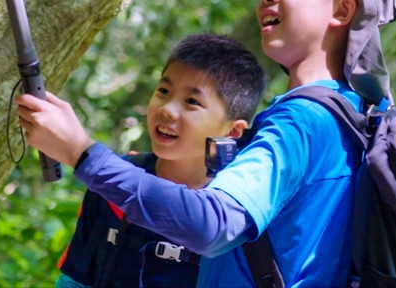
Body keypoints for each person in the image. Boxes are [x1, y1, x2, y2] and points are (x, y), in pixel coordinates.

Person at [17, 0, 396, 287]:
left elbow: (214, 223)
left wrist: (83, 155)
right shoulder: (354, 117)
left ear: (343, 10)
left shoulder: (302, 120)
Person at [55, 33, 267, 288]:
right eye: (164, 91)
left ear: (232, 131)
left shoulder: (231, 212)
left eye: (192, 101)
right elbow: (75, 279)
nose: (166, 109)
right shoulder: (111, 180)